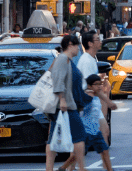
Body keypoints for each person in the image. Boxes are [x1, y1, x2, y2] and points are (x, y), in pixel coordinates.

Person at [45, 35, 86, 171]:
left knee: (53, 138)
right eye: (77, 46)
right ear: (70, 45)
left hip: (65, 105)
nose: (79, 49)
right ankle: (81, 168)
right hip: (65, 105)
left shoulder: (66, 60)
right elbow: (58, 79)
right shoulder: (62, 59)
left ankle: (51, 168)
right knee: (79, 135)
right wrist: (62, 99)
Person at [78, 31, 115, 171]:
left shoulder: (92, 59)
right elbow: (92, 86)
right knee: (87, 141)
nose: (100, 42)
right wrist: (108, 101)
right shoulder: (87, 61)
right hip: (88, 106)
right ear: (90, 43)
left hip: (91, 105)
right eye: (97, 39)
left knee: (101, 134)